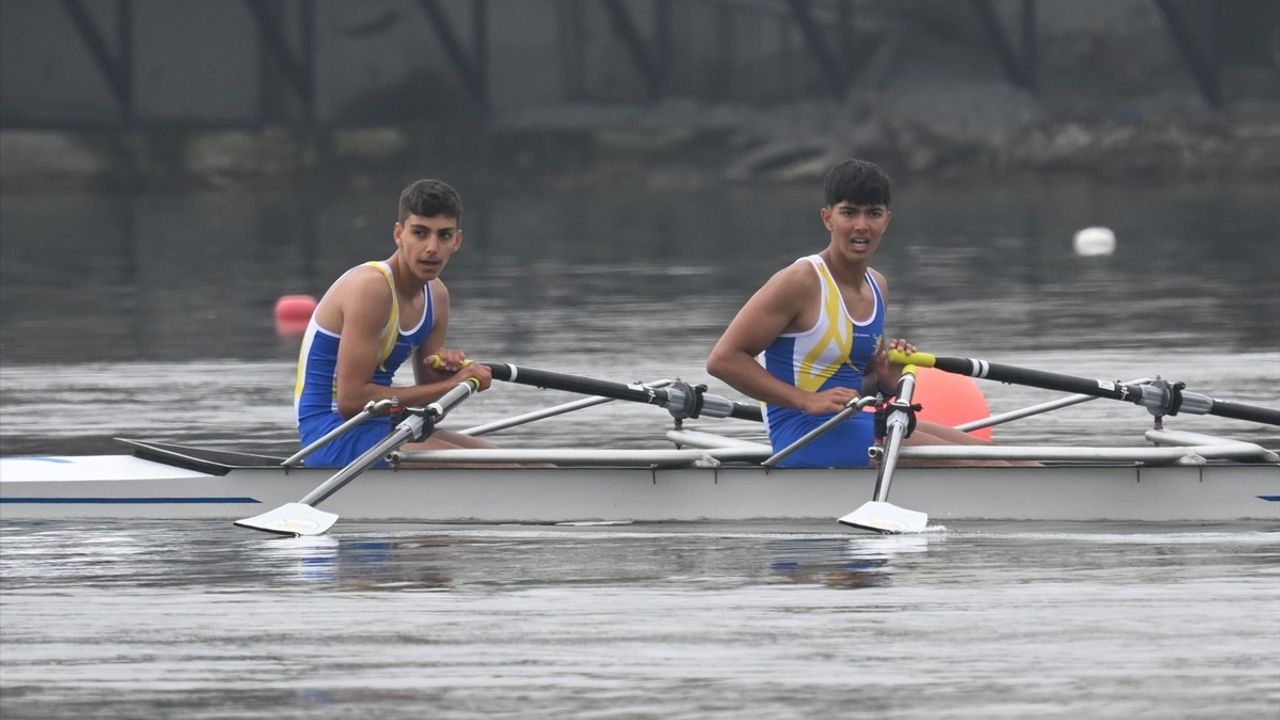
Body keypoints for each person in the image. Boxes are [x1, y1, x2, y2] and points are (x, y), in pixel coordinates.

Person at [706, 158, 994, 468]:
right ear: (827, 218)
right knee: (979, 465)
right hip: (804, 435)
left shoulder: (878, 286)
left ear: (887, 220)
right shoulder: (800, 281)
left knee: (1008, 459)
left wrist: (891, 377)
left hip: (856, 423)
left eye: (873, 213)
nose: (861, 225)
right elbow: (723, 360)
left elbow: (865, 381)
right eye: (849, 212)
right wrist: (806, 400)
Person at [294, 178, 494, 468]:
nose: (431, 248)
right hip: (331, 434)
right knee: (496, 467)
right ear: (399, 234)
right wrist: (453, 383)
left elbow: (430, 403)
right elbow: (351, 402)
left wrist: (448, 372)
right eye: (420, 233)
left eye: (444, 235)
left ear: (457, 241)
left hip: (385, 426)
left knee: (533, 467)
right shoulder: (370, 288)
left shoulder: (437, 296)